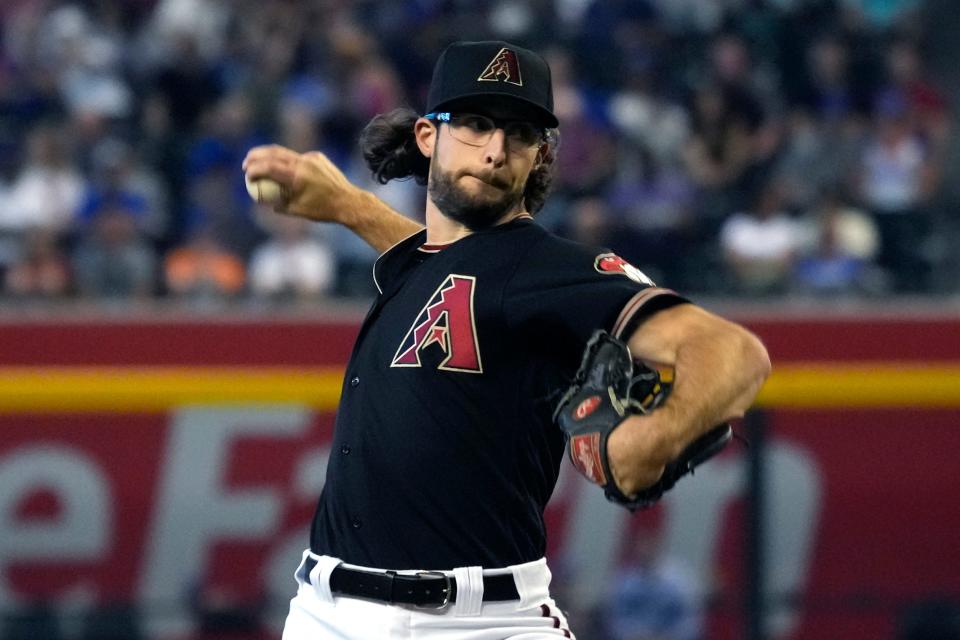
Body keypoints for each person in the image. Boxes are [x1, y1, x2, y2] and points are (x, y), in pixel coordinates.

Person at [243, 40, 770, 640]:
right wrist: (348, 207)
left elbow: (734, 354)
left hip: (482, 621)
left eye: (519, 134)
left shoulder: (544, 268)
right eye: (474, 124)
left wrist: (653, 436)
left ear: (540, 156)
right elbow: (438, 260)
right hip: (323, 612)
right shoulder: (429, 264)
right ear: (425, 136)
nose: (495, 150)